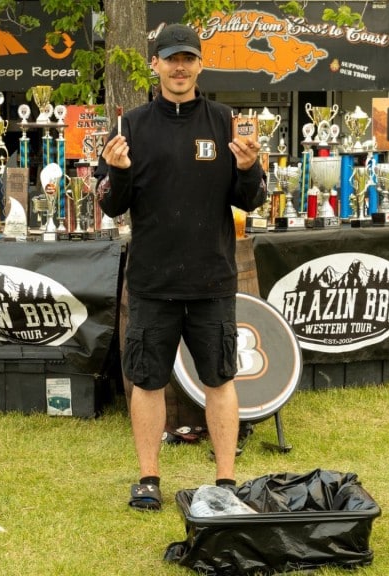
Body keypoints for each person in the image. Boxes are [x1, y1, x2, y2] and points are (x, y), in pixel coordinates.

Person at [96, 23, 266, 511]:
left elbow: (249, 199)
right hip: (152, 281)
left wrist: (251, 168)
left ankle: (226, 481)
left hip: (211, 279)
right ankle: (148, 477)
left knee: (220, 379)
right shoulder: (130, 126)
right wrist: (120, 173)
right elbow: (111, 205)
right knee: (148, 381)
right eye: (170, 58)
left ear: (199, 64)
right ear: (155, 64)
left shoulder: (225, 121)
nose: (179, 67)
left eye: (188, 58)